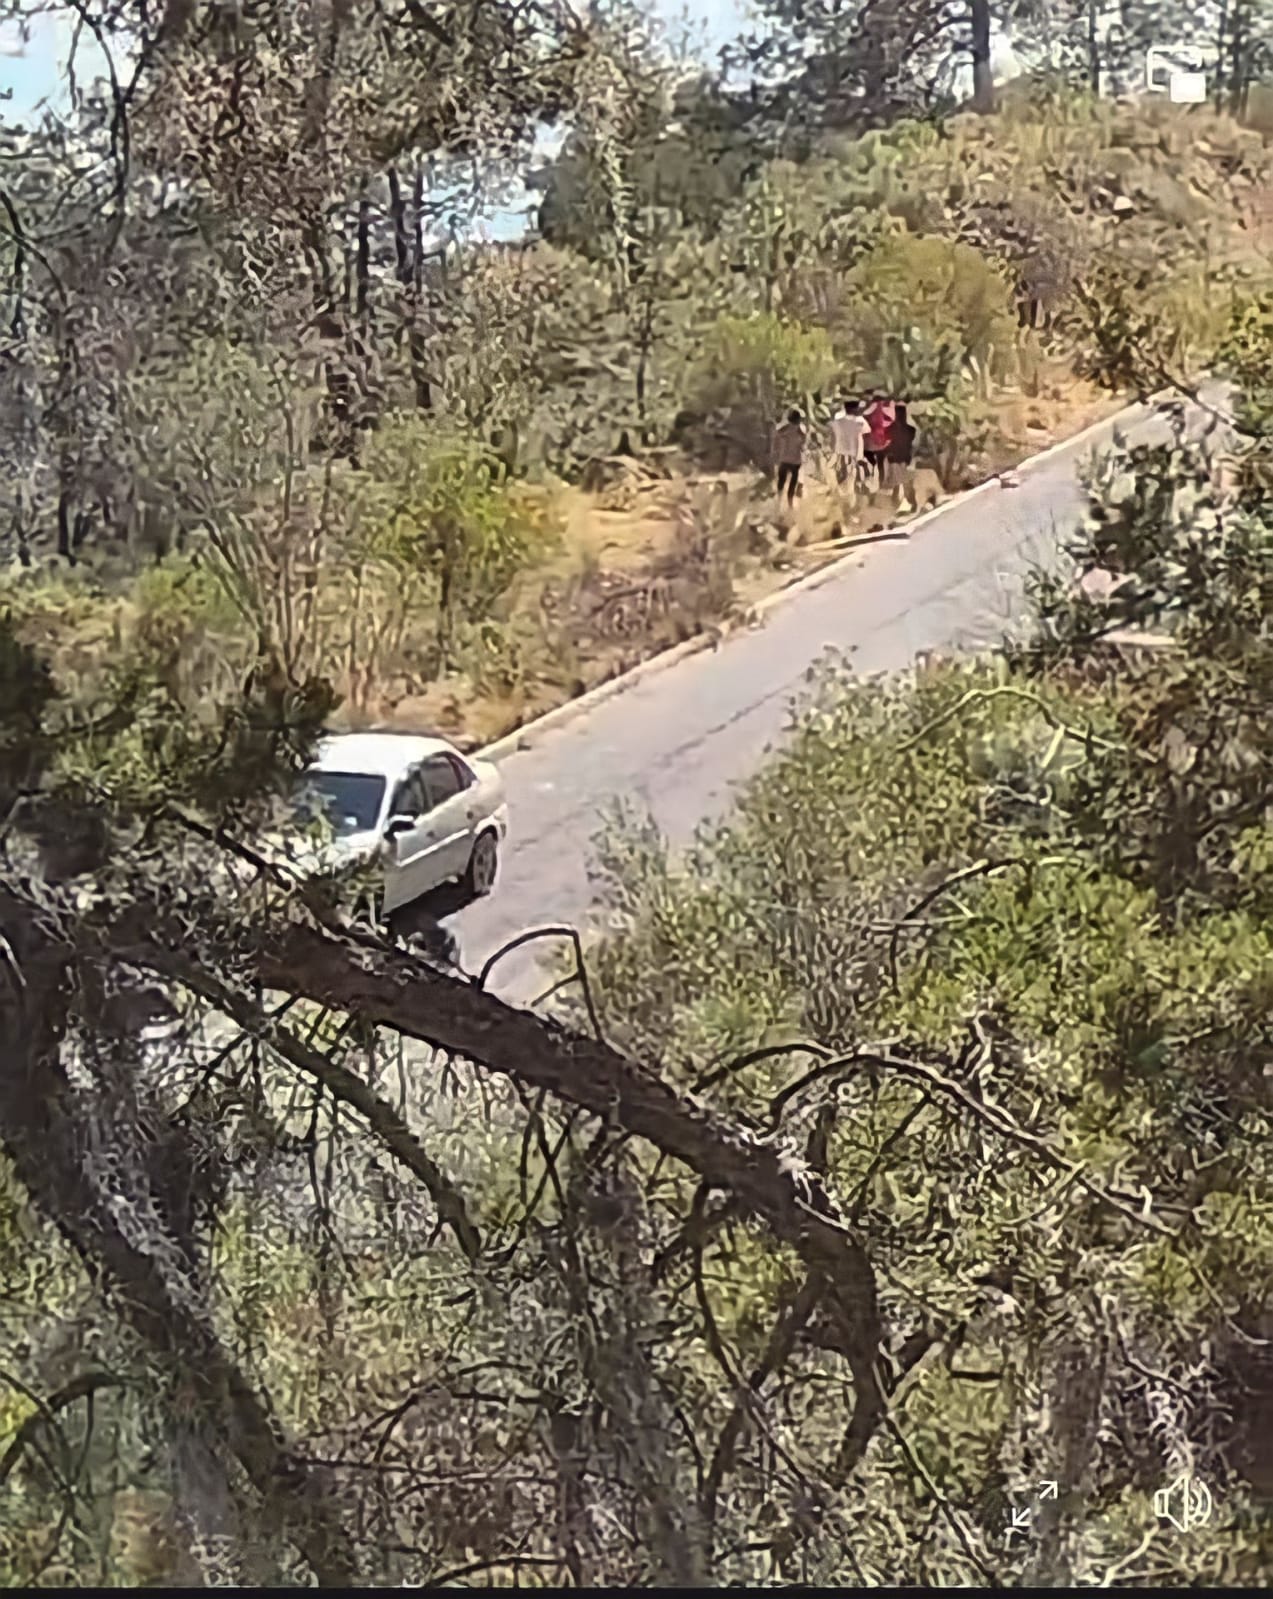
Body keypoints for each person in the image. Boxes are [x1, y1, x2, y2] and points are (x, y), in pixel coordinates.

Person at [829, 398, 869, 489]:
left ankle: (840, 491)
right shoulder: (859, 423)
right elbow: (867, 431)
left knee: (840, 473)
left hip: (839, 452)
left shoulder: (836, 422)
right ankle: (852, 492)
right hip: (853, 453)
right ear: (856, 409)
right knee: (851, 476)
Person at [773, 408, 807, 506]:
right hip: (795, 461)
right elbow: (803, 447)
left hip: (783, 459)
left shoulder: (781, 431)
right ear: (798, 420)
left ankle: (778, 502)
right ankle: (790, 504)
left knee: (781, 481)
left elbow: (776, 442)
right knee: (793, 483)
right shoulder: (801, 433)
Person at [888, 400, 918, 508]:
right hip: (906, 459)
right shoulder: (911, 430)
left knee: (897, 484)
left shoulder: (889, 429)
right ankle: (910, 501)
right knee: (906, 482)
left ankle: (898, 503)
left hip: (893, 459)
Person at [863, 392, 895, 485]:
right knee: (880, 462)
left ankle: (870, 480)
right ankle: (881, 481)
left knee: (870, 462)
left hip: (870, 441)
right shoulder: (881, 408)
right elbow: (889, 419)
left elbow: (864, 414)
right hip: (880, 440)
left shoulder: (871, 408)